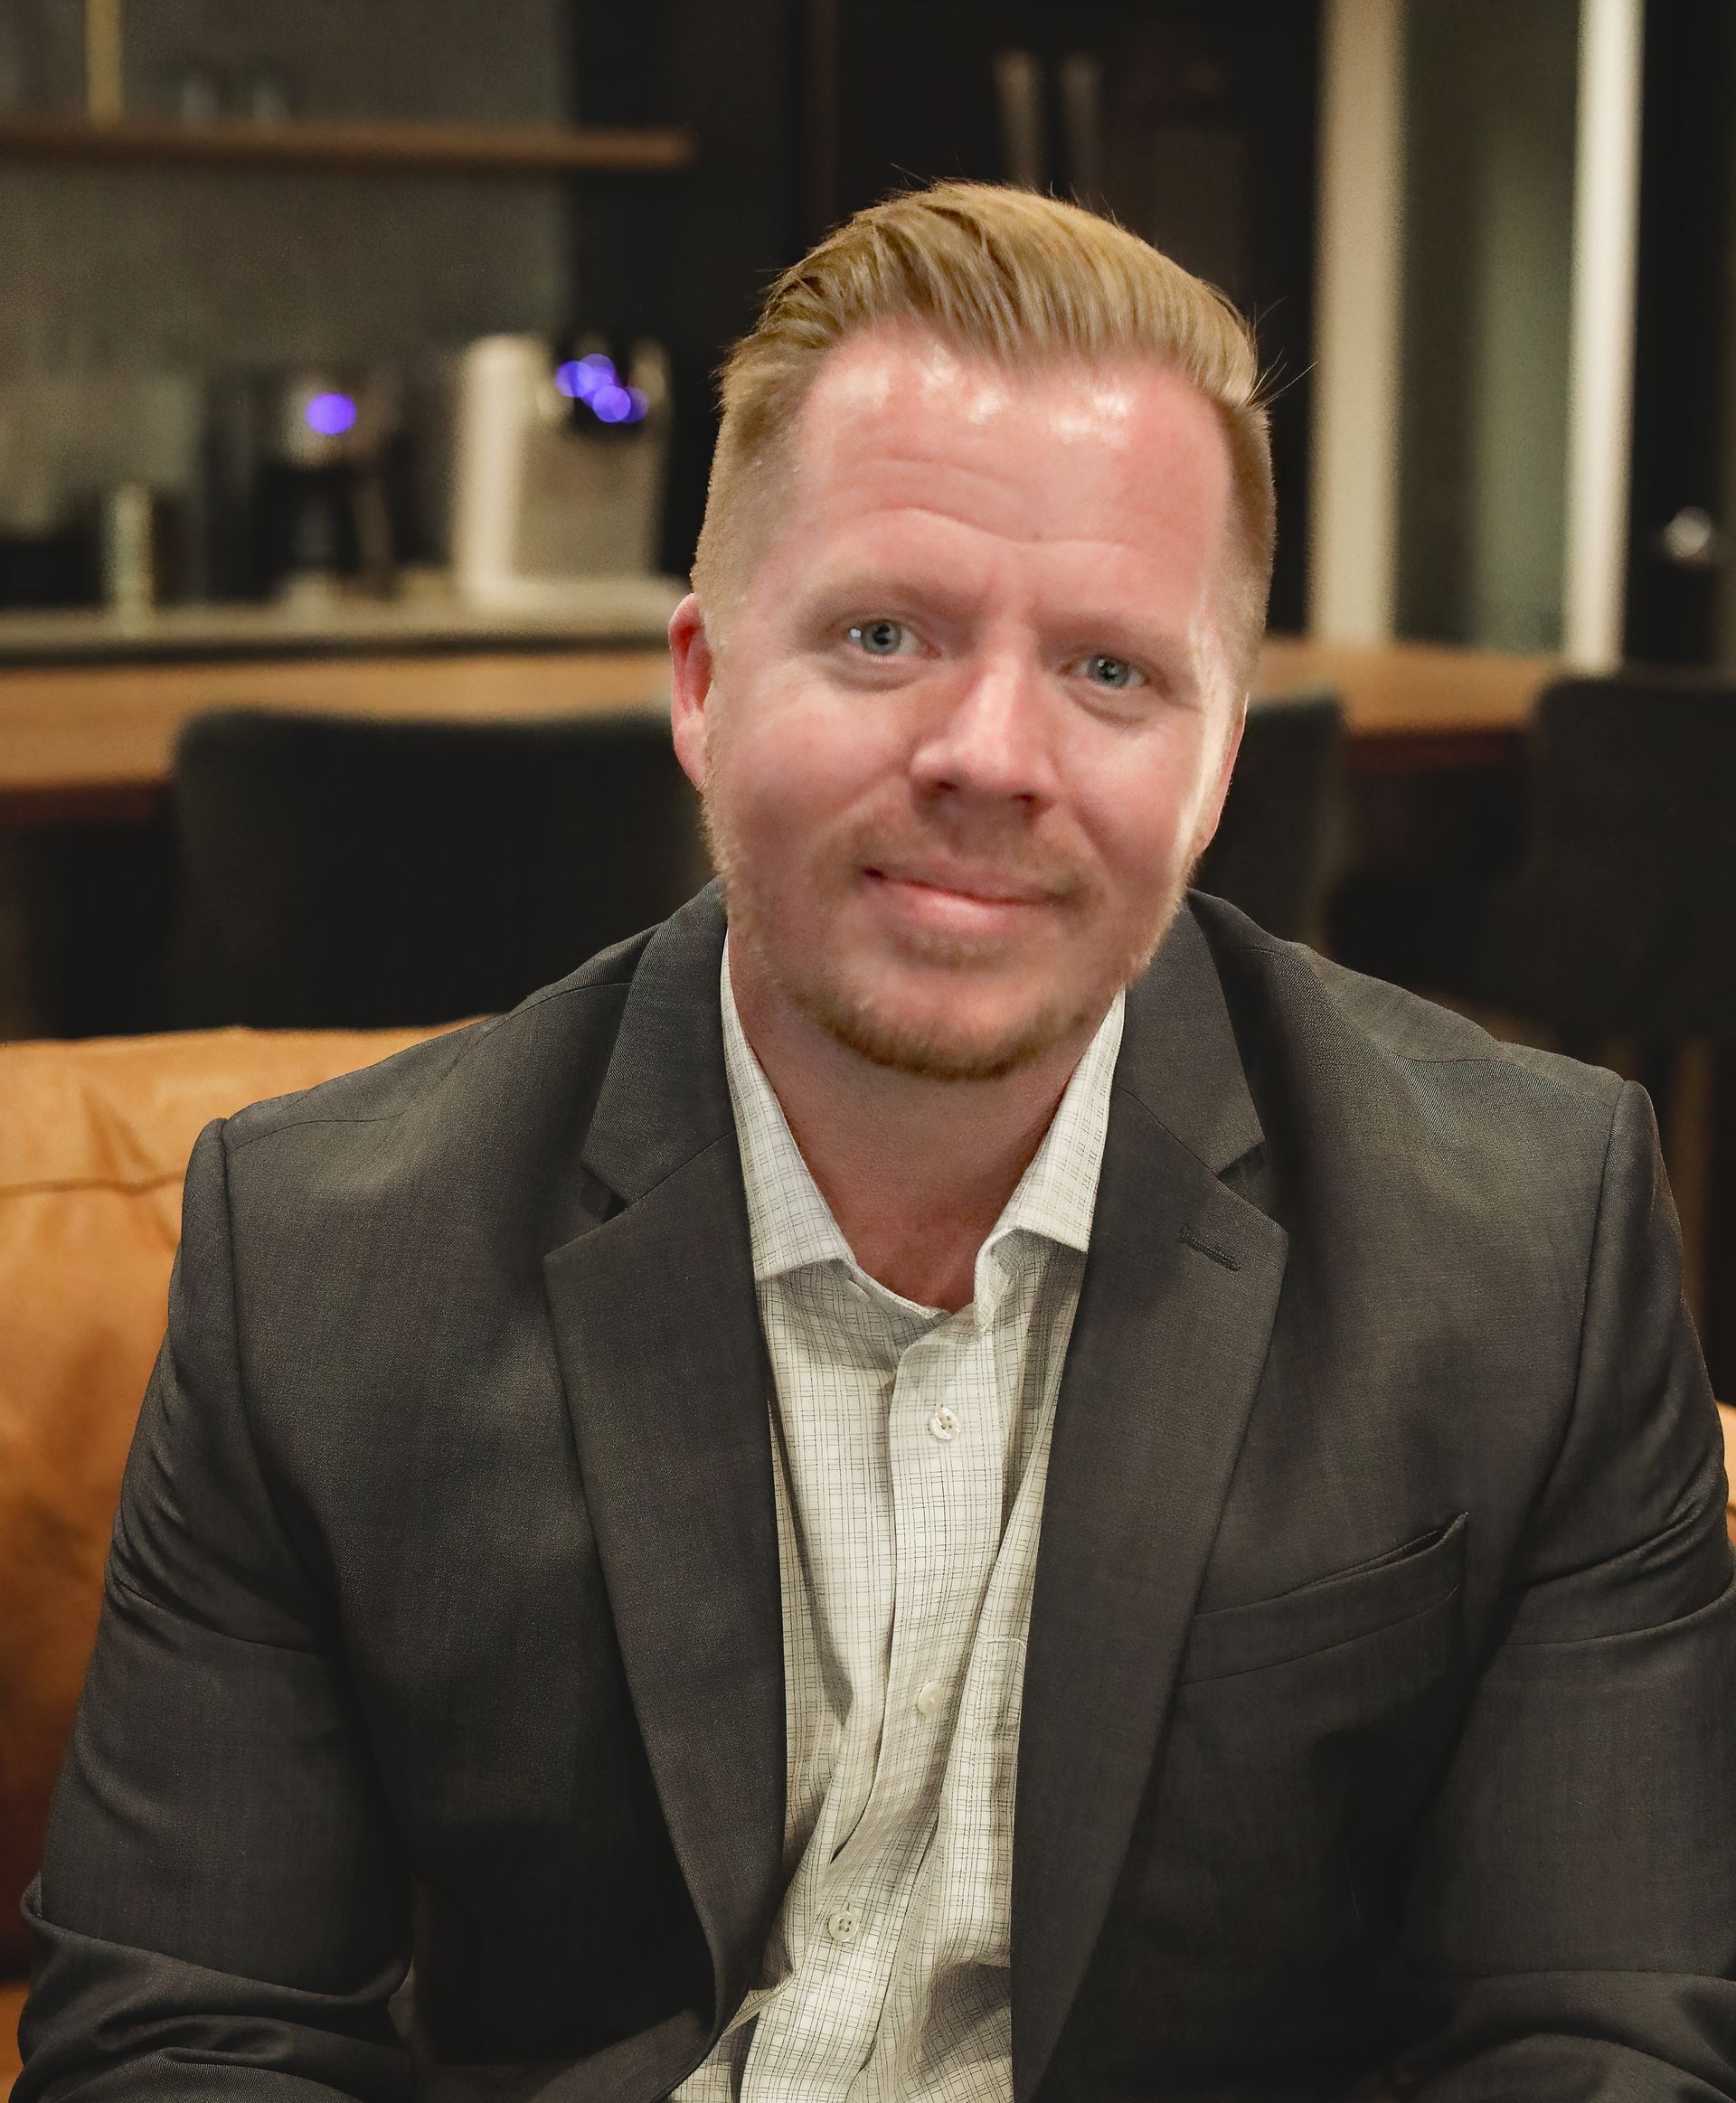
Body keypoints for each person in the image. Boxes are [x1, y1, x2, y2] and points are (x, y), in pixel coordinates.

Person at [17, 182, 1736, 2103]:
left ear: (1219, 756)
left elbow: (1603, 2042)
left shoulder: (1528, 1241)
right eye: (886, 629)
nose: (991, 752)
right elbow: (179, 2036)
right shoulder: (324, 1264)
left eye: (1111, 670)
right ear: (701, 679)